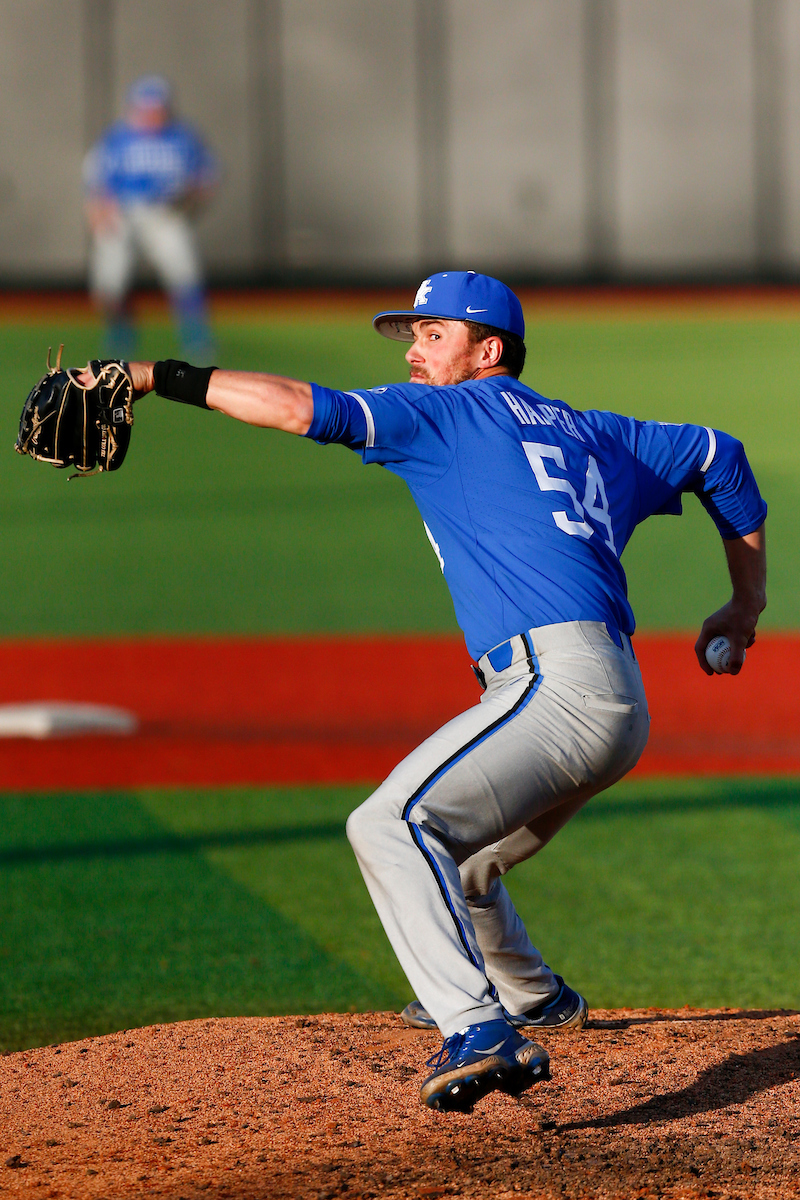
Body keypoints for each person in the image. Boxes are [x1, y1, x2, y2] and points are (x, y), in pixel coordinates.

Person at [88, 271, 767, 1113]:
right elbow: (719, 458)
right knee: (468, 863)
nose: (413, 351)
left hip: (555, 687)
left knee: (392, 824)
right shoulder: (600, 432)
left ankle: (480, 1028)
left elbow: (303, 407)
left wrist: (157, 377)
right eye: (410, 334)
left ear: (489, 352)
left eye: (432, 334)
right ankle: (532, 998)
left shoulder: (452, 412)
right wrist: (745, 605)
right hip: (616, 700)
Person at [83, 75, 218, 361]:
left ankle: (196, 337)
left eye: (157, 108)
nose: (152, 115)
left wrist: (190, 199)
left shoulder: (183, 137)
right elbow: (96, 181)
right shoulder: (117, 138)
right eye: (146, 108)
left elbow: (207, 176)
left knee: (185, 273)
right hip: (123, 212)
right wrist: (99, 211)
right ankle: (120, 332)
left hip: (164, 213)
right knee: (110, 282)